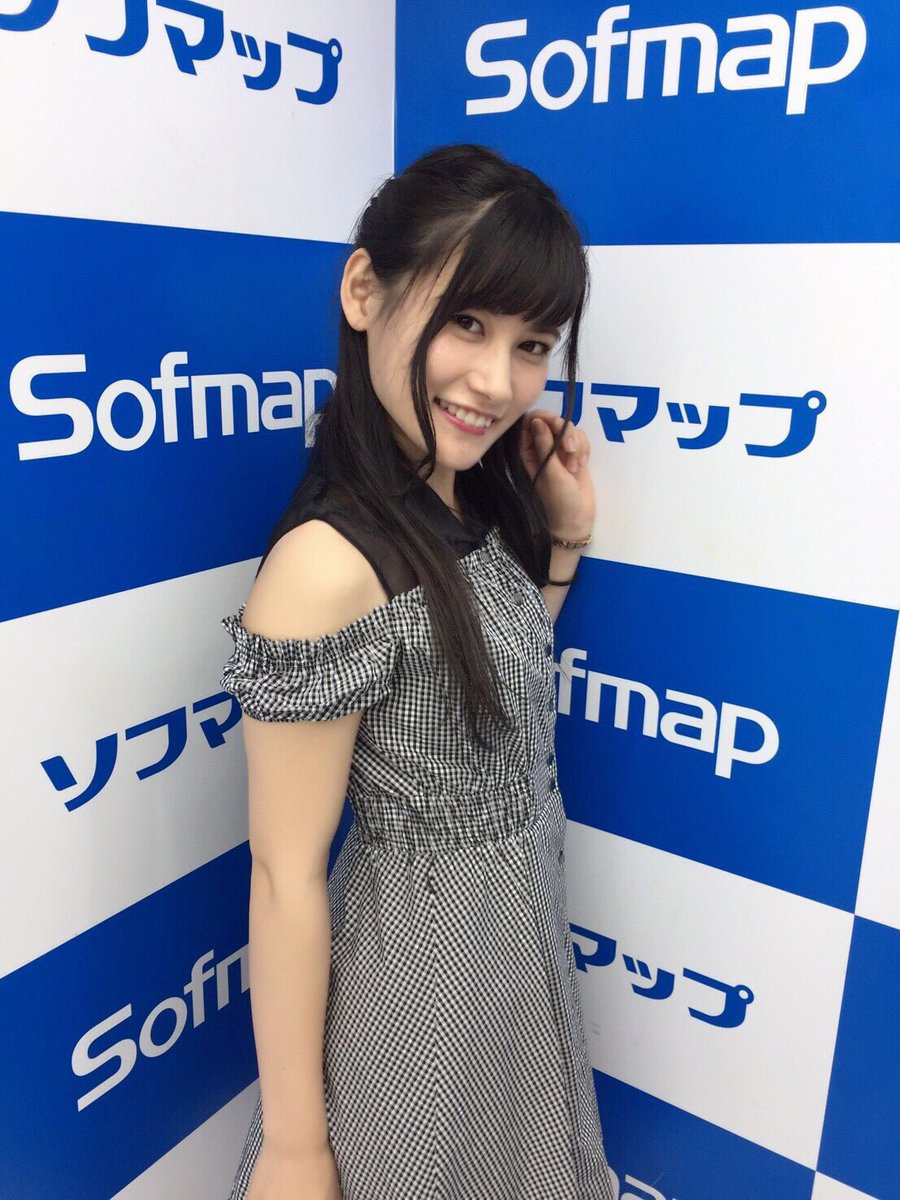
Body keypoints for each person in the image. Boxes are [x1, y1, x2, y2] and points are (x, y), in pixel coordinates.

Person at [220, 142, 614, 1200]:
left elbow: (475, 701)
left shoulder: (461, 499)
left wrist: (563, 542)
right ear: (365, 290)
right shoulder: (324, 567)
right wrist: (296, 1151)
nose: (498, 381)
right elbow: (285, 874)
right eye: (466, 322)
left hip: (513, 963)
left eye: (532, 345)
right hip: (418, 1002)